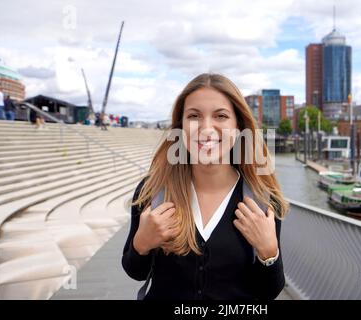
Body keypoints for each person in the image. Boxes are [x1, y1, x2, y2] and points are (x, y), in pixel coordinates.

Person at [122, 73, 288, 300]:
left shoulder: (263, 200)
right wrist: (142, 242)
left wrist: (269, 251)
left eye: (220, 116)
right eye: (194, 116)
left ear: (238, 127)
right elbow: (135, 271)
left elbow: (268, 292)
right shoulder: (152, 191)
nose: (206, 128)